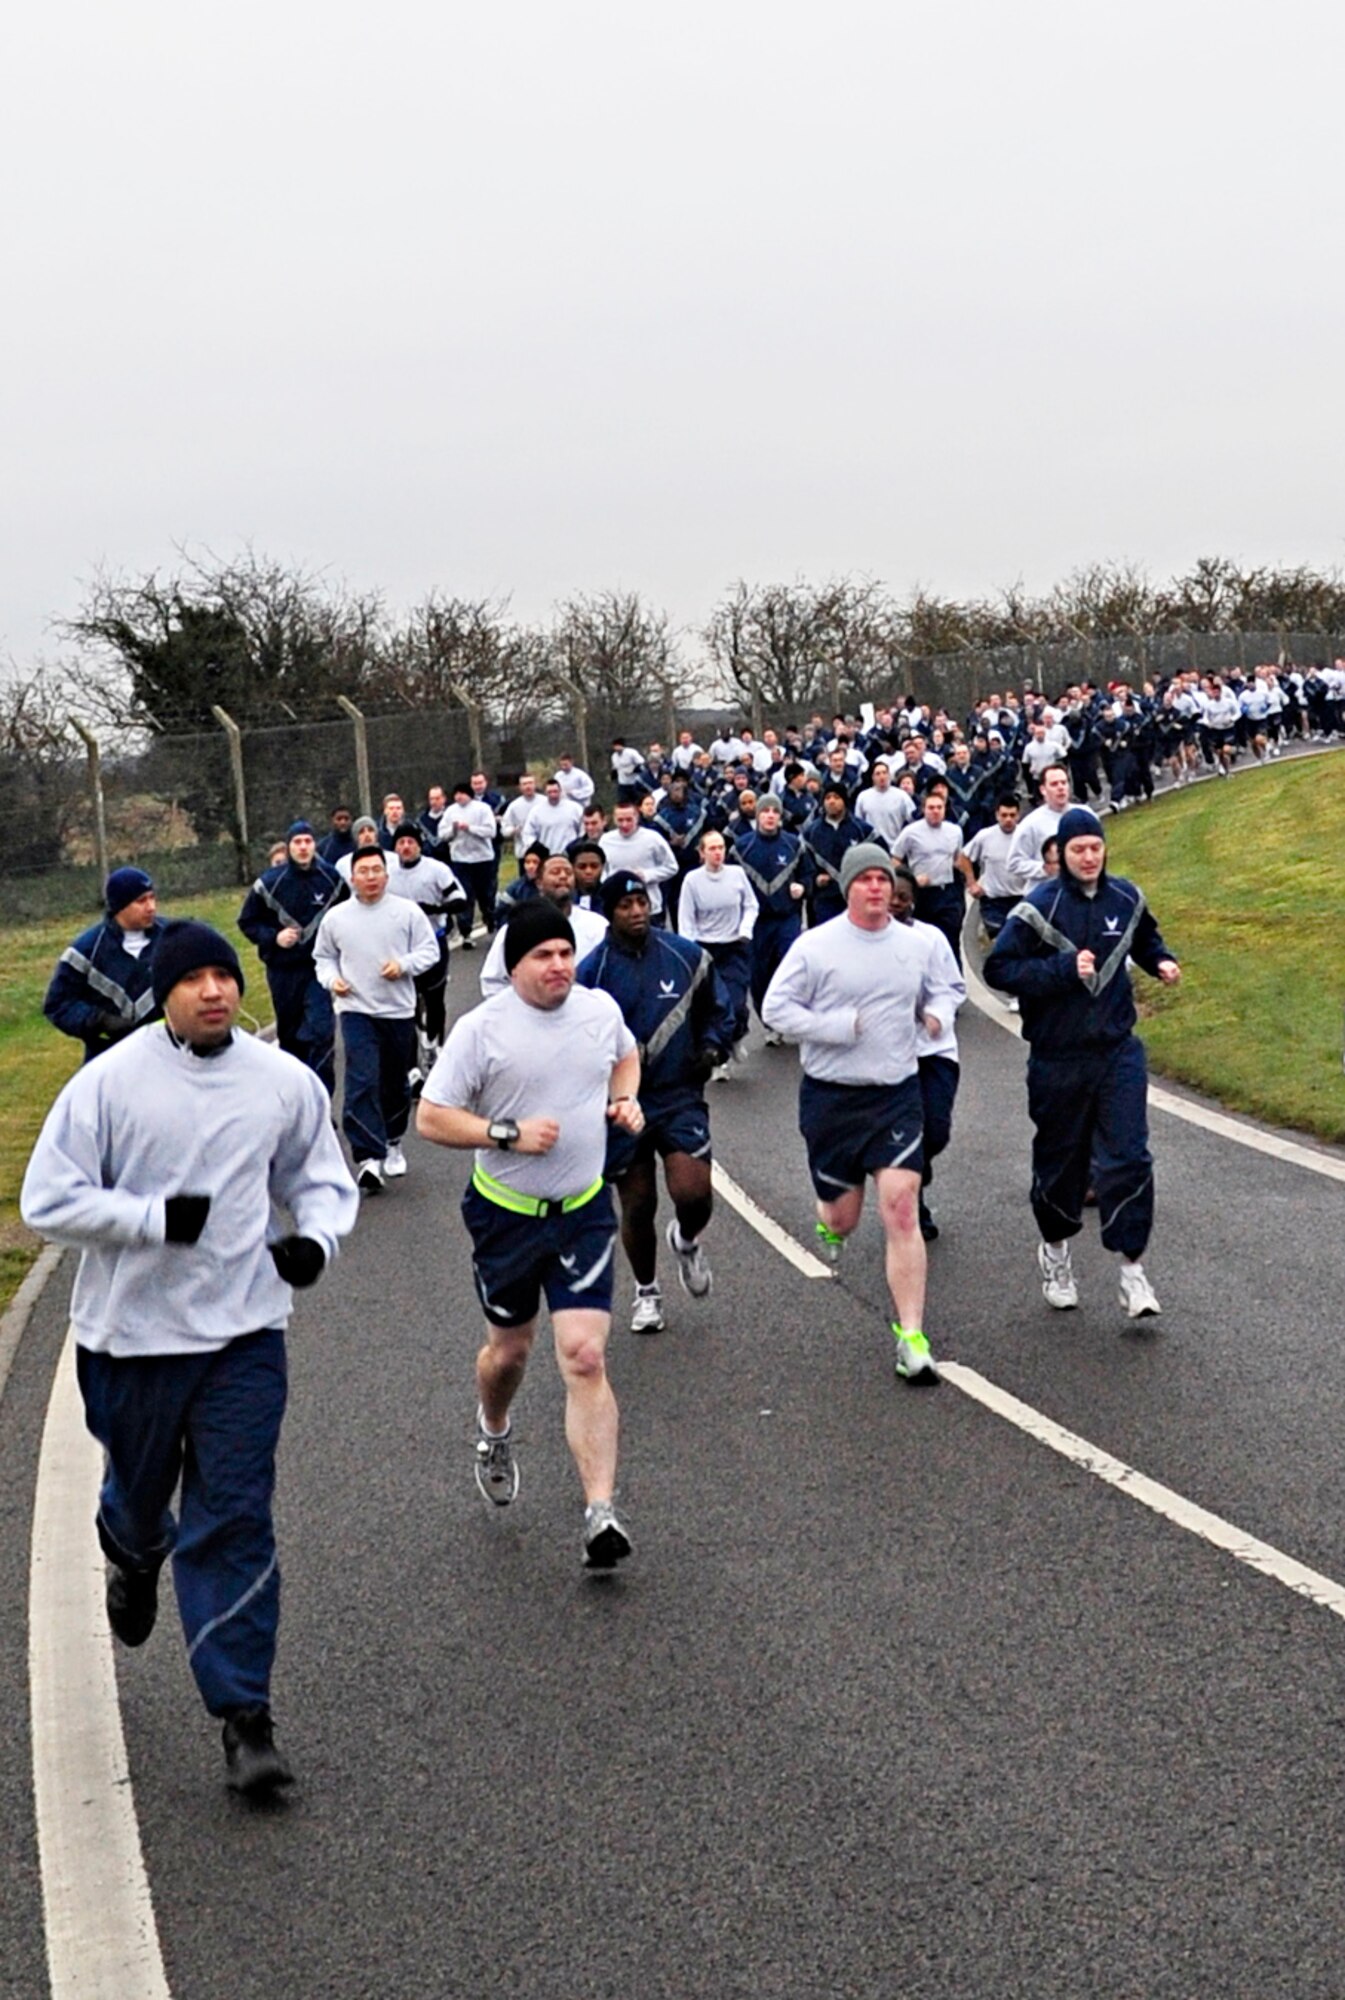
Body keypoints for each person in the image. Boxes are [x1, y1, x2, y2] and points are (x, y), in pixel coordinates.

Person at [21, 920, 358, 1796]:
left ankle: (245, 1716)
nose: (214, 991)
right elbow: (47, 1201)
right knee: (142, 1504)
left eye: (224, 975)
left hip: (244, 1337)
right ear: (165, 992)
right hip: (131, 1343)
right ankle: (130, 1548)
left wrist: (314, 1242)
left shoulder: (280, 1082)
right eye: (195, 978)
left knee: (236, 1516)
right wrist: (150, 1220)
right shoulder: (109, 1085)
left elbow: (321, 1178)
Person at [417, 901, 643, 1570]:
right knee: (508, 1354)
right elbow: (431, 1118)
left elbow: (624, 1056)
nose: (559, 966)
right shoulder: (482, 1030)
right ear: (514, 964)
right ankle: (493, 1430)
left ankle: (600, 1511)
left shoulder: (598, 1012)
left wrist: (624, 1097)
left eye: (565, 953)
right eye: (543, 956)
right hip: (504, 1214)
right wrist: (503, 1133)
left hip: (581, 1209)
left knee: (583, 1356)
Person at [761, 843, 960, 1384]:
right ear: (848, 886)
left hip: (896, 1093)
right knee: (843, 1219)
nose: (877, 889)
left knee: (900, 1208)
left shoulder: (915, 946)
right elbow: (774, 1008)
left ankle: (912, 1337)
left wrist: (936, 1017)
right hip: (832, 1098)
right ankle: (829, 1218)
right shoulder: (815, 946)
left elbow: (945, 989)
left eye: (883, 880)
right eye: (866, 880)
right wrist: (837, 1026)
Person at [983, 806, 1181, 1320]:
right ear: (1061, 855)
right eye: (1078, 850)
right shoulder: (1038, 908)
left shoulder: (1125, 896)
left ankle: (1132, 1271)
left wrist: (1159, 959)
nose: (1089, 857)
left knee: (1130, 1156)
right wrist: (1062, 969)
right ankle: (1055, 1253)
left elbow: (1143, 936)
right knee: (1062, 1164)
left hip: (1117, 1050)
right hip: (1058, 1057)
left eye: (1096, 847)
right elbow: (1000, 968)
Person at [576, 872, 735, 1334]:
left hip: (678, 1094)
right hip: (621, 1102)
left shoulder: (684, 955)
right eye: (625, 905)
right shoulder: (592, 971)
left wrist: (712, 1045)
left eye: (641, 902)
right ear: (609, 913)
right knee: (638, 1203)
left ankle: (686, 1240)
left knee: (692, 1192)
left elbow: (718, 1006)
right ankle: (647, 1291)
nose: (637, 911)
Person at [313, 846, 440, 1193]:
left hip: (397, 1010)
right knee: (361, 1077)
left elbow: (430, 951)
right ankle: (369, 1158)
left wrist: (403, 965)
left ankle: (393, 1141)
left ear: (386, 875)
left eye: (376, 870)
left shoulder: (407, 913)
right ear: (352, 878)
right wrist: (332, 980)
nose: (370, 877)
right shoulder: (336, 918)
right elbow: (323, 957)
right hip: (356, 1009)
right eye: (363, 871)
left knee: (393, 1081)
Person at [237, 820, 346, 1094]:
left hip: (317, 969)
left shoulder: (331, 879)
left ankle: (321, 1101)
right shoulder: (270, 883)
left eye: (308, 841)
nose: (303, 847)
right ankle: (298, 1101)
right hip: (283, 971)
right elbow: (247, 921)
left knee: (322, 1033)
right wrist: (274, 937)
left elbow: (348, 915)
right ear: (289, 847)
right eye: (297, 842)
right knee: (291, 1037)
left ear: (314, 844)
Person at [890, 866, 966, 1241]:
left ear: (912, 901)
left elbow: (953, 987)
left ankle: (922, 1163)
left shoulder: (931, 939)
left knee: (934, 1130)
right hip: (888, 1057)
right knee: (902, 1134)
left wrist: (936, 1015)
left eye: (902, 897)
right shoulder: (863, 942)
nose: (895, 903)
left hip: (934, 1050)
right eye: (889, 896)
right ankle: (913, 1207)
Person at [44, 867, 165, 1063]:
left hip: (168, 1055)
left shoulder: (172, 938)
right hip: (107, 1059)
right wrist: (99, 1021)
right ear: (120, 906)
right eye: (141, 901)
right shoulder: (87, 950)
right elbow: (58, 1005)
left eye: (152, 898)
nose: (151, 907)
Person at [382, 819, 466, 1072]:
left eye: (411, 842)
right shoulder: (387, 873)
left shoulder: (436, 870)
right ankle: (412, 1066)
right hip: (399, 948)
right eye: (401, 842)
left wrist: (435, 908)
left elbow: (460, 899)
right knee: (406, 1004)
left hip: (432, 942)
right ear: (395, 847)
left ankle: (433, 1045)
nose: (406, 847)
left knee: (435, 997)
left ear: (419, 845)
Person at [675, 829, 756, 1072]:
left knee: (737, 1002)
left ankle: (737, 1035)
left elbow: (751, 905)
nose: (718, 852)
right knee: (714, 1004)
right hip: (706, 949)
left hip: (733, 947)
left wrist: (745, 929)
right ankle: (719, 1057)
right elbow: (686, 920)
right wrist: (689, 953)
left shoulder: (737, 875)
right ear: (701, 853)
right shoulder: (692, 880)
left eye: (721, 847)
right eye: (712, 848)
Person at [733, 792, 810, 1045]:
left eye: (775, 812)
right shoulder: (742, 846)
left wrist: (803, 887)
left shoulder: (793, 844)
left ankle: (791, 1016)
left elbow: (807, 874)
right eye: (765, 811)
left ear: (780, 817)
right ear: (757, 815)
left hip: (786, 917)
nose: (770, 816)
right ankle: (769, 1022)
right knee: (759, 974)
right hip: (757, 922)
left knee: (789, 966)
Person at [479, 850, 607, 996]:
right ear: (539, 883)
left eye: (568, 872)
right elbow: (493, 981)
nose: (563, 876)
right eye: (555, 872)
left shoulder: (598, 926)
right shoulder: (517, 927)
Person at [891, 781, 976, 965]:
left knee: (950, 940)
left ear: (945, 809)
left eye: (939, 807)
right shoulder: (910, 832)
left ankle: (955, 986)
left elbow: (958, 858)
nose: (935, 811)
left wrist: (970, 880)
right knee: (922, 941)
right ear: (924, 809)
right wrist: (911, 880)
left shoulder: (955, 831)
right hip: (922, 894)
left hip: (948, 892)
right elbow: (895, 860)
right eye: (931, 808)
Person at [598, 801, 678, 923]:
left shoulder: (653, 838)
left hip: (649, 906)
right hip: (617, 906)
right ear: (614, 819)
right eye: (620, 820)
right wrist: (611, 883)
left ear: (637, 817)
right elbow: (602, 871)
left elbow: (672, 867)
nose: (624, 824)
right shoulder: (606, 840)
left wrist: (647, 875)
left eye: (629, 819)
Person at [446, 780, 500, 948]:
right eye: (456, 794)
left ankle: (490, 917)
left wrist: (469, 828)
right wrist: (453, 830)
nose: (459, 797)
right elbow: (443, 834)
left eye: (462, 793)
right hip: (461, 860)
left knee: (486, 894)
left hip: (483, 859)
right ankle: (466, 932)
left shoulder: (482, 809)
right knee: (465, 895)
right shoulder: (450, 811)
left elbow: (491, 831)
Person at [1006, 763, 1072, 885]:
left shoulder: (1085, 814)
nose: (1060, 787)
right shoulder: (1031, 824)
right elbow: (1014, 863)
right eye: (1054, 784)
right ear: (1043, 790)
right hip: (1048, 892)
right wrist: (1043, 869)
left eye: (1063, 782)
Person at [522, 777, 584, 856]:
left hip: (570, 855)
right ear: (545, 793)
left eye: (555, 791)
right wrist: (539, 848)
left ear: (560, 791)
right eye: (549, 792)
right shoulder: (536, 811)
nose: (553, 795)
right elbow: (527, 834)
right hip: (547, 856)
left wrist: (575, 846)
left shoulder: (575, 808)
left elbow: (583, 830)